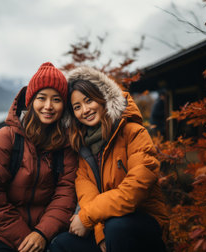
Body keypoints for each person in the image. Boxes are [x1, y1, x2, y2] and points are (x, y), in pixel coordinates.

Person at [50, 66, 169, 252]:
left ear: (103, 98)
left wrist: (86, 217)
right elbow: (88, 197)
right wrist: (99, 234)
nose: (85, 110)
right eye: (77, 107)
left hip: (142, 225)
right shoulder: (82, 150)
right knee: (61, 244)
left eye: (89, 101)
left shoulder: (133, 133)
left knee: (116, 227)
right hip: (106, 227)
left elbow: (133, 193)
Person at [0, 62, 78, 252]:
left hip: (47, 231)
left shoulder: (66, 146)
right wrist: (26, 240)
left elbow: (65, 196)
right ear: (30, 101)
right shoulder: (8, 138)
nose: (48, 106)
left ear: (64, 105)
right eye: (42, 98)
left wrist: (42, 233)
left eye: (56, 99)